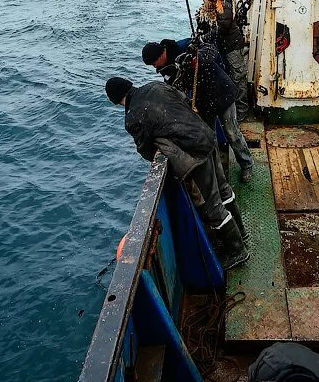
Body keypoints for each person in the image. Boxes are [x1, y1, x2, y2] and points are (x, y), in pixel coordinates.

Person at [104, 76, 248, 269]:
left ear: (115, 101)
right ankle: (242, 233)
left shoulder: (132, 117)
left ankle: (238, 252)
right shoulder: (156, 86)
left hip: (194, 156)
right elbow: (184, 100)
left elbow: (145, 149)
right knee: (223, 190)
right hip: (206, 136)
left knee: (211, 208)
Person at [143, 39, 255, 183]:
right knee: (208, 139)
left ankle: (247, 164)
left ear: (159, 56)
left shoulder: (184, 46)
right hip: (203, 103)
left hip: (222, 93)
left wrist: (198, 59)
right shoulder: (166, 70)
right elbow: (175, 89)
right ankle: (217, 175)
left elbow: (211, 48)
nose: (154, 67)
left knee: (232, 132)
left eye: (153, 63)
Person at [206, 0, 250, 122]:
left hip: (234, 48)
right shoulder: (220, 7)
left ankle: (242, 110)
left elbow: (223, 27)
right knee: (235, 77)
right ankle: (237, 108)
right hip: (229, 47)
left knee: (238, 78)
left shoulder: (223, 8)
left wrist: (207, 36)